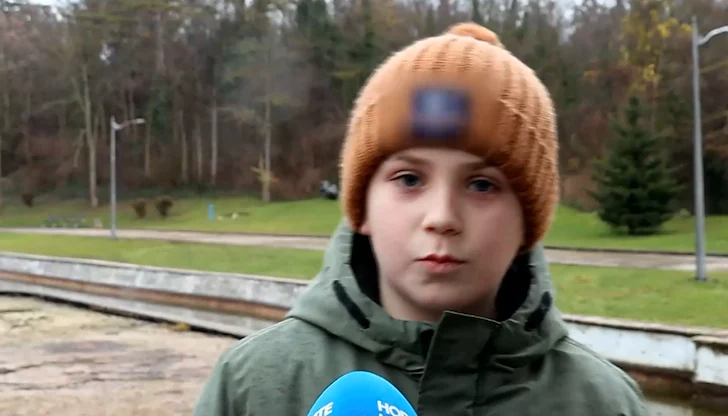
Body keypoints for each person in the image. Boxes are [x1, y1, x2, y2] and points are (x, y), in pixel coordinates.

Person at [193, 22, 648, 416]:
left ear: (527, 225)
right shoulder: (255, 385)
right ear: (362, 208)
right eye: (409, 179)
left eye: (482, 185)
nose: (442, 217)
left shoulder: (602, 402)